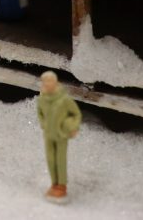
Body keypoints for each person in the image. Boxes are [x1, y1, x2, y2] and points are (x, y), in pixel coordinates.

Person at [37, 70, 81, 203]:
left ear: (55, 82)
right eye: (45, 82)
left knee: (60, 160)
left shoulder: (64, 99)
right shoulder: (42, 99)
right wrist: (43, 124)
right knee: (50, 159)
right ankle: (54, 183)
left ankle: (61, 186)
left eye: (49, 81)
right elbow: (40, 113)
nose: (47, 84)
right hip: (49, 134)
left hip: (61, 135)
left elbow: (76, 114)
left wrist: (72, 127)